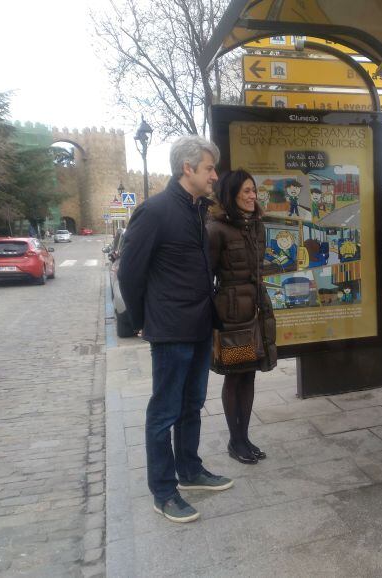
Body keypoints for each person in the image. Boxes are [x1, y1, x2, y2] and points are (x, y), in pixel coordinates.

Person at [118, 135, 233, 524]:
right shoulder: (155, 211)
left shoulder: (197, 209)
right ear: (188, 169)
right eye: (208, 168)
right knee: (164, 411)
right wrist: (140, 320)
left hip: (199, 325)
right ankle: (163, 491)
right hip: (170, 330)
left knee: (191, 405)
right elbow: (129, 271)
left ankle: (190, 470)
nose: (215, 175)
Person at [207, 169, 277, 465]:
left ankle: (244, 437)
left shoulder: (257, 225)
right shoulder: (215, 229)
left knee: (249, 373)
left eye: (253, 191)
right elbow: (205, 275)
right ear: (231, 194)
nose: (252, 196)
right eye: (246, 191)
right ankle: (235, 441)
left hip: (256, 309)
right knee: (235, 375)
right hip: (232, 312)